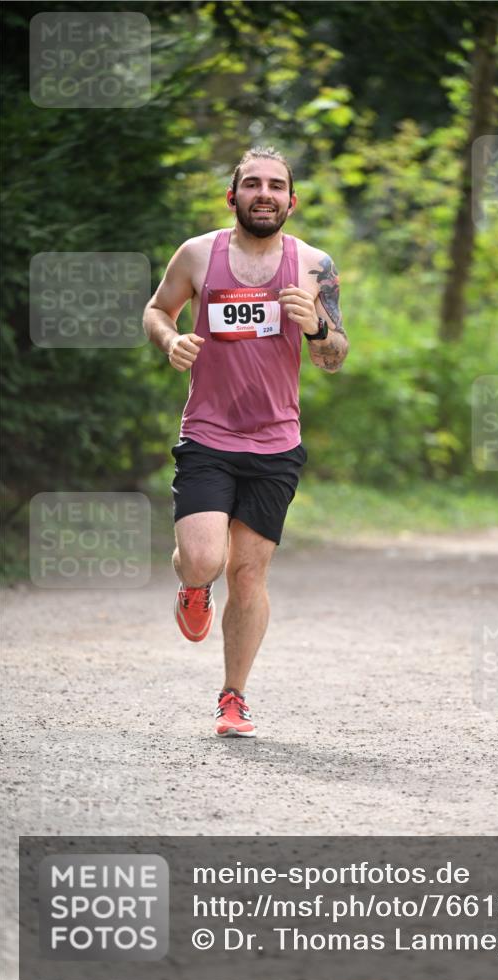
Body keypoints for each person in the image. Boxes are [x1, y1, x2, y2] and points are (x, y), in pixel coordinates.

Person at [143, 147, 348, 738]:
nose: (266, 194)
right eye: (253, 184)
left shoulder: (313, 265)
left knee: (250, 574)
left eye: (277, 186)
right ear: (232, 196)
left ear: (292, 199)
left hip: (276, 442)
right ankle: (191, 586)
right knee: (207, 559)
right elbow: (158, 310)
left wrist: (313, 323)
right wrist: (169, 340)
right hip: (207, 432)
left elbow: (334, 356)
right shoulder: (198, 255)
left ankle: (233, 696)